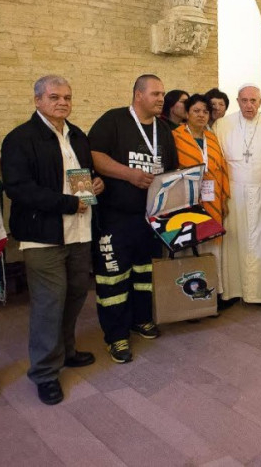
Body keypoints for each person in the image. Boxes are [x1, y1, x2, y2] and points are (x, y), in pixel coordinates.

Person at [1, 75, 103, 405]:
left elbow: (80, 178)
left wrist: (93, 186)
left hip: (79, 230)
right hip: (42, 235)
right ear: (37, 101)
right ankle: (45, 373)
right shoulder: (20, 138)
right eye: (54, 97)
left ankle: (66, 351)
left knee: (75, 294)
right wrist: (68, 203)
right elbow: (18, 188)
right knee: (49, 302)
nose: (62, 102)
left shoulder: (77, 136)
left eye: (67, 97)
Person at [88, 74, 178, 364]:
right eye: (155, 94)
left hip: (150, 218)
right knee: (113, 278)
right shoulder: (113, 120)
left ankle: (141, 319)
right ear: (138, 95)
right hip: (115, 217)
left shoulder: (163, 129)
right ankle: (116, 335)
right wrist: (130, 174)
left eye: (162, 93)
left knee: (144, 274)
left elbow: (171, 170)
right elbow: (93, 155)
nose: (161, 99)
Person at [215, 84, 261, 304]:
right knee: (234, 241)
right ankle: (234, 291)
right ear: (238, 101)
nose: (249, 105)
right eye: (245, 100)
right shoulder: (222, 125)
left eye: (253, 101)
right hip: (234, 195)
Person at [172, 93, 231, 305]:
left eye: (205, 111)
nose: (201, 115)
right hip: (185, 202)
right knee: (188, 247)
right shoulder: (176, 136)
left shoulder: (212, 138)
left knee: (212, 248)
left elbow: (222, 168)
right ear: (187, 113)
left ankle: (212, 295)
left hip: (212, 200)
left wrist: (223, 198)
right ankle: (189, 299)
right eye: (196, 111)